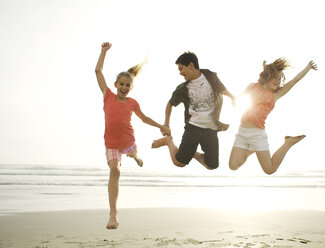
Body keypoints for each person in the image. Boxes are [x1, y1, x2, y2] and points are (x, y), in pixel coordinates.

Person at [95, 42, 170, 229]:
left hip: (129, 142)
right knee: (116, 170)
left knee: (133, 154)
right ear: (115, 85)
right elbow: (98, 71)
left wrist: (161, 125)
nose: (124, 87)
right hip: (112, 145)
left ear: (131, 87)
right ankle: (113, 214)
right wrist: (103, 52)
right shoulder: (108, 96)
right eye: (121, 84)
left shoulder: (132, 103)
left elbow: (144, 118)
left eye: (128, 85)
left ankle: (135, 156)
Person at [229, 58, 317, 174]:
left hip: (257, 134)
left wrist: (308, 68)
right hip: (242, 132)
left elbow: (295, 80)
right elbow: (238, 99)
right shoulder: (252, 86)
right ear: (267, 76)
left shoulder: (275, 94)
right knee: (233, 166)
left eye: (280, 79)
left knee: (269, 170)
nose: (278, 81)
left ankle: (288, 143)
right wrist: (235, 101)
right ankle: (252, 149)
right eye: (275, 77)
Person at [151, 52, 235, 170]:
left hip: (211, 129)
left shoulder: (210, 76)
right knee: (179, 162)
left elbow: (222, 89)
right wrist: (166, 124)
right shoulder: (183, 89)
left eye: (181, 69)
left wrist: (232, 97)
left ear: (191, 65)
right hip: (193, 128)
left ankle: (193, 154)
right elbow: (170, 104)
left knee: (212, 165)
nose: (180, 73)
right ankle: (168, 141)